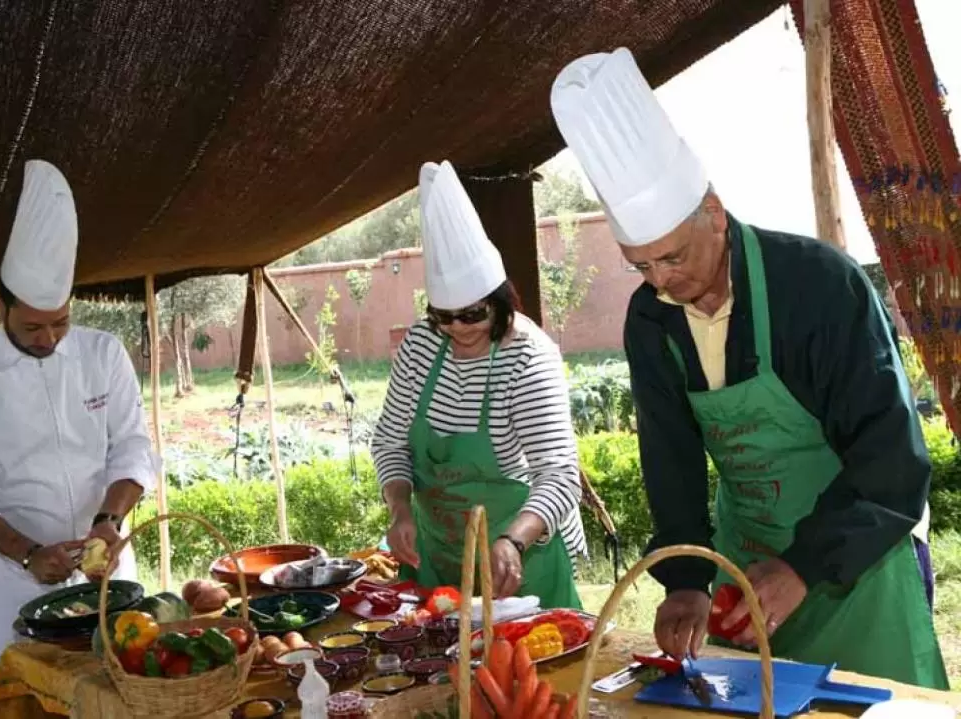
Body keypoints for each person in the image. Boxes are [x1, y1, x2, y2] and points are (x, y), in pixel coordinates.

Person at [550, 48, 948, 689]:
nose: (660, 283)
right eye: (640, 266)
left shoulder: (818, 286)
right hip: (749, 563)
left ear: (712, 210)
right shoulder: (651, 319)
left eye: (671, 258)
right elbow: (671, 454)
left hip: (855, 558)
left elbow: (890, 459)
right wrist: (686, 579)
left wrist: (803, 564)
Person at [0, 160, 160, 715]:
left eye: (60, 322)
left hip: (107, 579)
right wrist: (30, 553)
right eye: (33, 326)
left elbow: (131, 448)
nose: (49, 338)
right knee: (27, 708)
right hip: (18, 583)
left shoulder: (102, 355)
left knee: (120, 700)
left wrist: (109, 521)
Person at [371, 160, 585, 609]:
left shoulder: (527, 356)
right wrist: (400, 508)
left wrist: (514, 539)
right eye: (443, 317)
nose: (458, 329)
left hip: (521, 561)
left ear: (501, 300)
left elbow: (560, 475)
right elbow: (390, 443)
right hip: (439, 556)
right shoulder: (421, 345)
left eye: (472, 315)